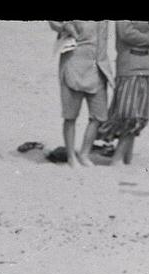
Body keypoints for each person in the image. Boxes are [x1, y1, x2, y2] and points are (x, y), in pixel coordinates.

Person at [49, 20, 113, 167]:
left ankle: (84, 153)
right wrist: (65, 26)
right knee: (70, 115)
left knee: (98, 115)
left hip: (98, 67)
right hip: (74, 65)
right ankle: (71, 156)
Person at [100, 20, 149, 167]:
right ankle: (118, 158)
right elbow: (126, 33)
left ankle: (126, 158)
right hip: (132, 66)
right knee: (131, 114)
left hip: (143, 65)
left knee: (136, 113)